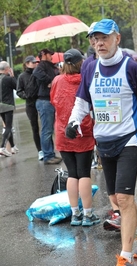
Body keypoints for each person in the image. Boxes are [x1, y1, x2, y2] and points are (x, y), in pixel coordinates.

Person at [66, 19, 137, 266]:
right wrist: (73, 121)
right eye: (95, 39)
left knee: (123, 198)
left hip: (129, 139)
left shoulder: (132, 68)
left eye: (104, 38)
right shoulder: (90, 68)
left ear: (117, 39)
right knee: (119, 199)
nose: (99, 43)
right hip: (104, 142)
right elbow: (82, 101)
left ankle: (125, 256)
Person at [50, 49, 100, 226]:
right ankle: (88, 214)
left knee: (72, 173)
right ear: (81, 63)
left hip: (63, 132)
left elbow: (53, 101)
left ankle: (75, 214)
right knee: (84, 172)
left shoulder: (56, 80)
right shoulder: (86, 80)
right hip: (83, 131)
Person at [33, 48, 62, 164]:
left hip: (49, 101)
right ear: (44, 54)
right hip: (44, 101)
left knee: (49, 129)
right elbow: (37, 73)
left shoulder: (50, 66)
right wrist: (50, 81)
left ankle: (50, 154)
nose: (52, 56)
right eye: (50, 54)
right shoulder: (41, 66)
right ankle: (47, 156)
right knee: (47, 130)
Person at [16, 56, 43, 160]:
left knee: (46, 127)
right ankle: (40, 150)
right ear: (27, 64)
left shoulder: (38, 73)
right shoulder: (22, 76)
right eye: (33, 62)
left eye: (36, 62)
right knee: (35, 127)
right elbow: (19, 91)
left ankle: (47, 149)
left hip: (41, 101)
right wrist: (26, 96)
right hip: (30, 104)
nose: (35, 64)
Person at [0, 61, 17, 157]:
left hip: (0, 106)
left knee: (7, 126)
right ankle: (2, 148)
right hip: (8, 105)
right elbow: (17, 87)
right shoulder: (8, 79)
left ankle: (13, 147)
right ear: (7, 69)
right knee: (9, 127)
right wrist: (13, 76)